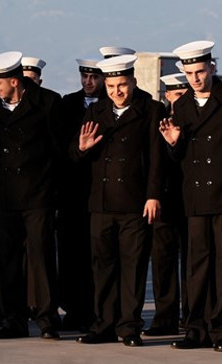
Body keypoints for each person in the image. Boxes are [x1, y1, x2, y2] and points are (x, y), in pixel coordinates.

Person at [159, 40, 222, 352]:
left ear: (212, 67)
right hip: (196, 197)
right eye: (189, 73)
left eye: (200, 71)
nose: (195, 78)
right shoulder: (182, 106)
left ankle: (221, 331)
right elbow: (179, 160)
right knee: (196, 265)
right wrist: (174, 143)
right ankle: (195, 329)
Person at [74, 54, 165, 346]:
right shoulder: (97, 111)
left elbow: (156, 157)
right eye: (112, 86)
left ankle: (129, 327)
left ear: (133, 82)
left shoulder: (151, 110)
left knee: (133, 267)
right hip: (101, 203)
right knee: (103, 268)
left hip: (135, 202)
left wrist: (153, 195)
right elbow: (75, 156)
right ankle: (103, 324)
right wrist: (82, 149)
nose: (117, 91)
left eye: (122, 85)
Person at [0, 51, 63, 340]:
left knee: (41, 258)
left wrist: (54, 192)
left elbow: (59, 151)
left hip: (37, 195)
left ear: (14, 82)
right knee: (7, 260)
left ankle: (47, 319)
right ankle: (13, 320)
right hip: (4, 196)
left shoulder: (48, 103)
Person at [57, 58, 104, 332]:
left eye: (94, 77)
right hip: (72, 192)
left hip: (100, 190)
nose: (88, 82)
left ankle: (96, 310)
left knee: (96, 255)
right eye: (85, 76)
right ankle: (73, 309)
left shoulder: (109, 105)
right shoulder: (67, 104)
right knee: (71, 255)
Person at [143, 73, 189, 337]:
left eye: (183, 95)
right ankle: (165, 316)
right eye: (175, 95)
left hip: (191, 199)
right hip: (165, 198)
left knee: (193, 261)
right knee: (162, 260)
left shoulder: (195, 119)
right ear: (167, 96)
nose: (178, 100)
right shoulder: (158, 121)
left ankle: (190, 314)